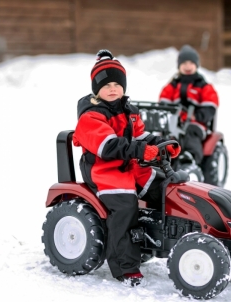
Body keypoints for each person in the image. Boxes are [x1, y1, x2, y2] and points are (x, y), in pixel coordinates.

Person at [72, 49, 181, 287]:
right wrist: (140, 150)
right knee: (124, 205)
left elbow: (142, 135)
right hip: (104, 169)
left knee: (165, 188)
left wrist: (160, 145)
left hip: (130, 165)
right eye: (106, 84)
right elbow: (108, 146)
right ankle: (125, 265)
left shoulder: (129, 111)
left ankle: (163, 237)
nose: (113, 88)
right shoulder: (90, 116)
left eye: (117, 84)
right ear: (96, 89)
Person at [159, 44, 219, 165]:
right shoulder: (172, 86)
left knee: (190, 133)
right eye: (184, 63)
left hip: (196, 123)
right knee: (164, 136)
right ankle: (162, 159)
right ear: (179, 66)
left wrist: (197, 116)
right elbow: (163, 103)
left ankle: (190, 158)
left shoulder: (204, 86)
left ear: (196, 65)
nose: (187, 66)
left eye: (191, 63)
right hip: (175, 122)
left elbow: (210, 105)